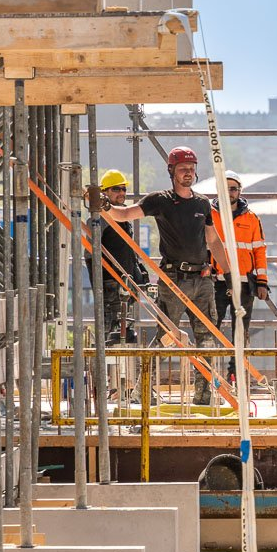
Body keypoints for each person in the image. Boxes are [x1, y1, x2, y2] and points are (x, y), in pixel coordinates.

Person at [105, 145, 229, 404]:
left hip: (202, 279)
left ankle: (204, 395)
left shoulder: (202, 203)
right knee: (166, 338)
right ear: (172, 171)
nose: (188, 173)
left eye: (192, 169)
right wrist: (103, 207)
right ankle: (143, 388)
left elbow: (213, 241)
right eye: (183, 169)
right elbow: (125, 214)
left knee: (207, 340)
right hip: (174, 280)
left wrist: (230, 275)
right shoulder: (160, 201)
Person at [212, 172, 271, 374]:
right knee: (211, 329)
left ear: (239, 191)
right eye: (225, 188)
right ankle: (208, 375)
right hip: (216, 282)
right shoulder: (209, 215)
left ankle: (235, 374)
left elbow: (259, 250)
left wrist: (262, 282)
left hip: (244, 283)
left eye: (233, 188)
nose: (229, 192)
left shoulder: (252, 218)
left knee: (241, 331)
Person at [93, 168, 147, 350]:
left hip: (125, 281)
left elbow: (126, 249)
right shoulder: (101, 217)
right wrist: (99, 281)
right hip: (111, 282)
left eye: (123, 189)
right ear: (104, 192)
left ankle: (119, 374)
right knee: (111, 332)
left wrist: (138, 272)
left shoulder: (123, 216)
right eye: (116, 189)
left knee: (124, 332)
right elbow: (90, 251)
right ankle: (104, 373)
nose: (122, 193)